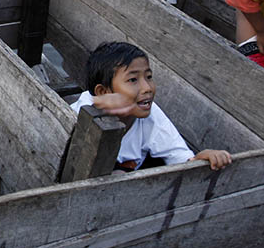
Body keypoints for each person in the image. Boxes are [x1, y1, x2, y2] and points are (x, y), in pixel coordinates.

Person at [72, 41, 231, 171]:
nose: (147, 87)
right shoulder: (83, 108)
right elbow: (92, 106)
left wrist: (200, 158)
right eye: (133, 80)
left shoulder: (151, 115)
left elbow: (180, 159)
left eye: (149, 77)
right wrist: (104, 103)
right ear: (103, 91)